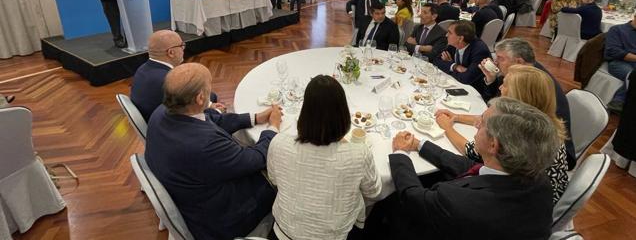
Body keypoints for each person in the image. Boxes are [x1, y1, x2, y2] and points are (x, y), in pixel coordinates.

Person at [366, 97, 559, 239]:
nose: (475, 124)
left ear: (493, 145)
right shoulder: (540, 183)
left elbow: (413, 198)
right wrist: (420, 145)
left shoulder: (459, 201)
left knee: (384, 200)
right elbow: (473, 167)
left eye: (481, 123)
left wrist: (400, 154)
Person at [145, 63, 283, 240]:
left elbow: (209, 119)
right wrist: (273, 127)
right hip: (223, 217)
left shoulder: (161, 112)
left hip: (193, 193)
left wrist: (254, 118)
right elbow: (256, 159)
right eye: (210, 85)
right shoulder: (205, 144)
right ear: (201, 98)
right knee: (282, 176)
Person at [267, 75, 381, 240]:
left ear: (304, 112)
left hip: (284, 233)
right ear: (343, 115)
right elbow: (374, 192)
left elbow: (274, 180)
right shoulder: (359, 154)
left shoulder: (278, 143)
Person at [436, 65, 568, 203]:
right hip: (533, 195)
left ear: (519, 95)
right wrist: (456, 116)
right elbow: (487, 118)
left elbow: (472, 151)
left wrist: (447, 128)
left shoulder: (526, 133)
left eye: (505, 85)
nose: (500, 88)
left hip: (519, 203)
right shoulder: (543, 122)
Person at [477, 38, 575, 168]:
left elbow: (501, 115)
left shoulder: (531, 84)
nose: (495, 62)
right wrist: (491, 79)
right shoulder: (520, 75)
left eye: (500, 58)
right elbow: (494, 105)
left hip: (543, 154)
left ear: (518, 61)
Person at [130, 30, 220, 121]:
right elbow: (193, 106)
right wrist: (215, 109)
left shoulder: (142, 69)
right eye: (181, 46)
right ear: (171, 53)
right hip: (171, 125)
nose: (183, 49)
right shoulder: (168, 80)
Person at [604, 4, 636, 112]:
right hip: (619, 62)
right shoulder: (617, 30)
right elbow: (615, 53)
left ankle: (619, 101)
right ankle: (620, 103)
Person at [433, 20, 491, 89]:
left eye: (450, 33)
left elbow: (466, 79)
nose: (446, 35)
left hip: (474, 90)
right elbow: (436, 60)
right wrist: (455, 66)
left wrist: (448, 66)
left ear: (460, 38)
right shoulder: (454, 44)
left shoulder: (480, 51)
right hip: (456, 83)